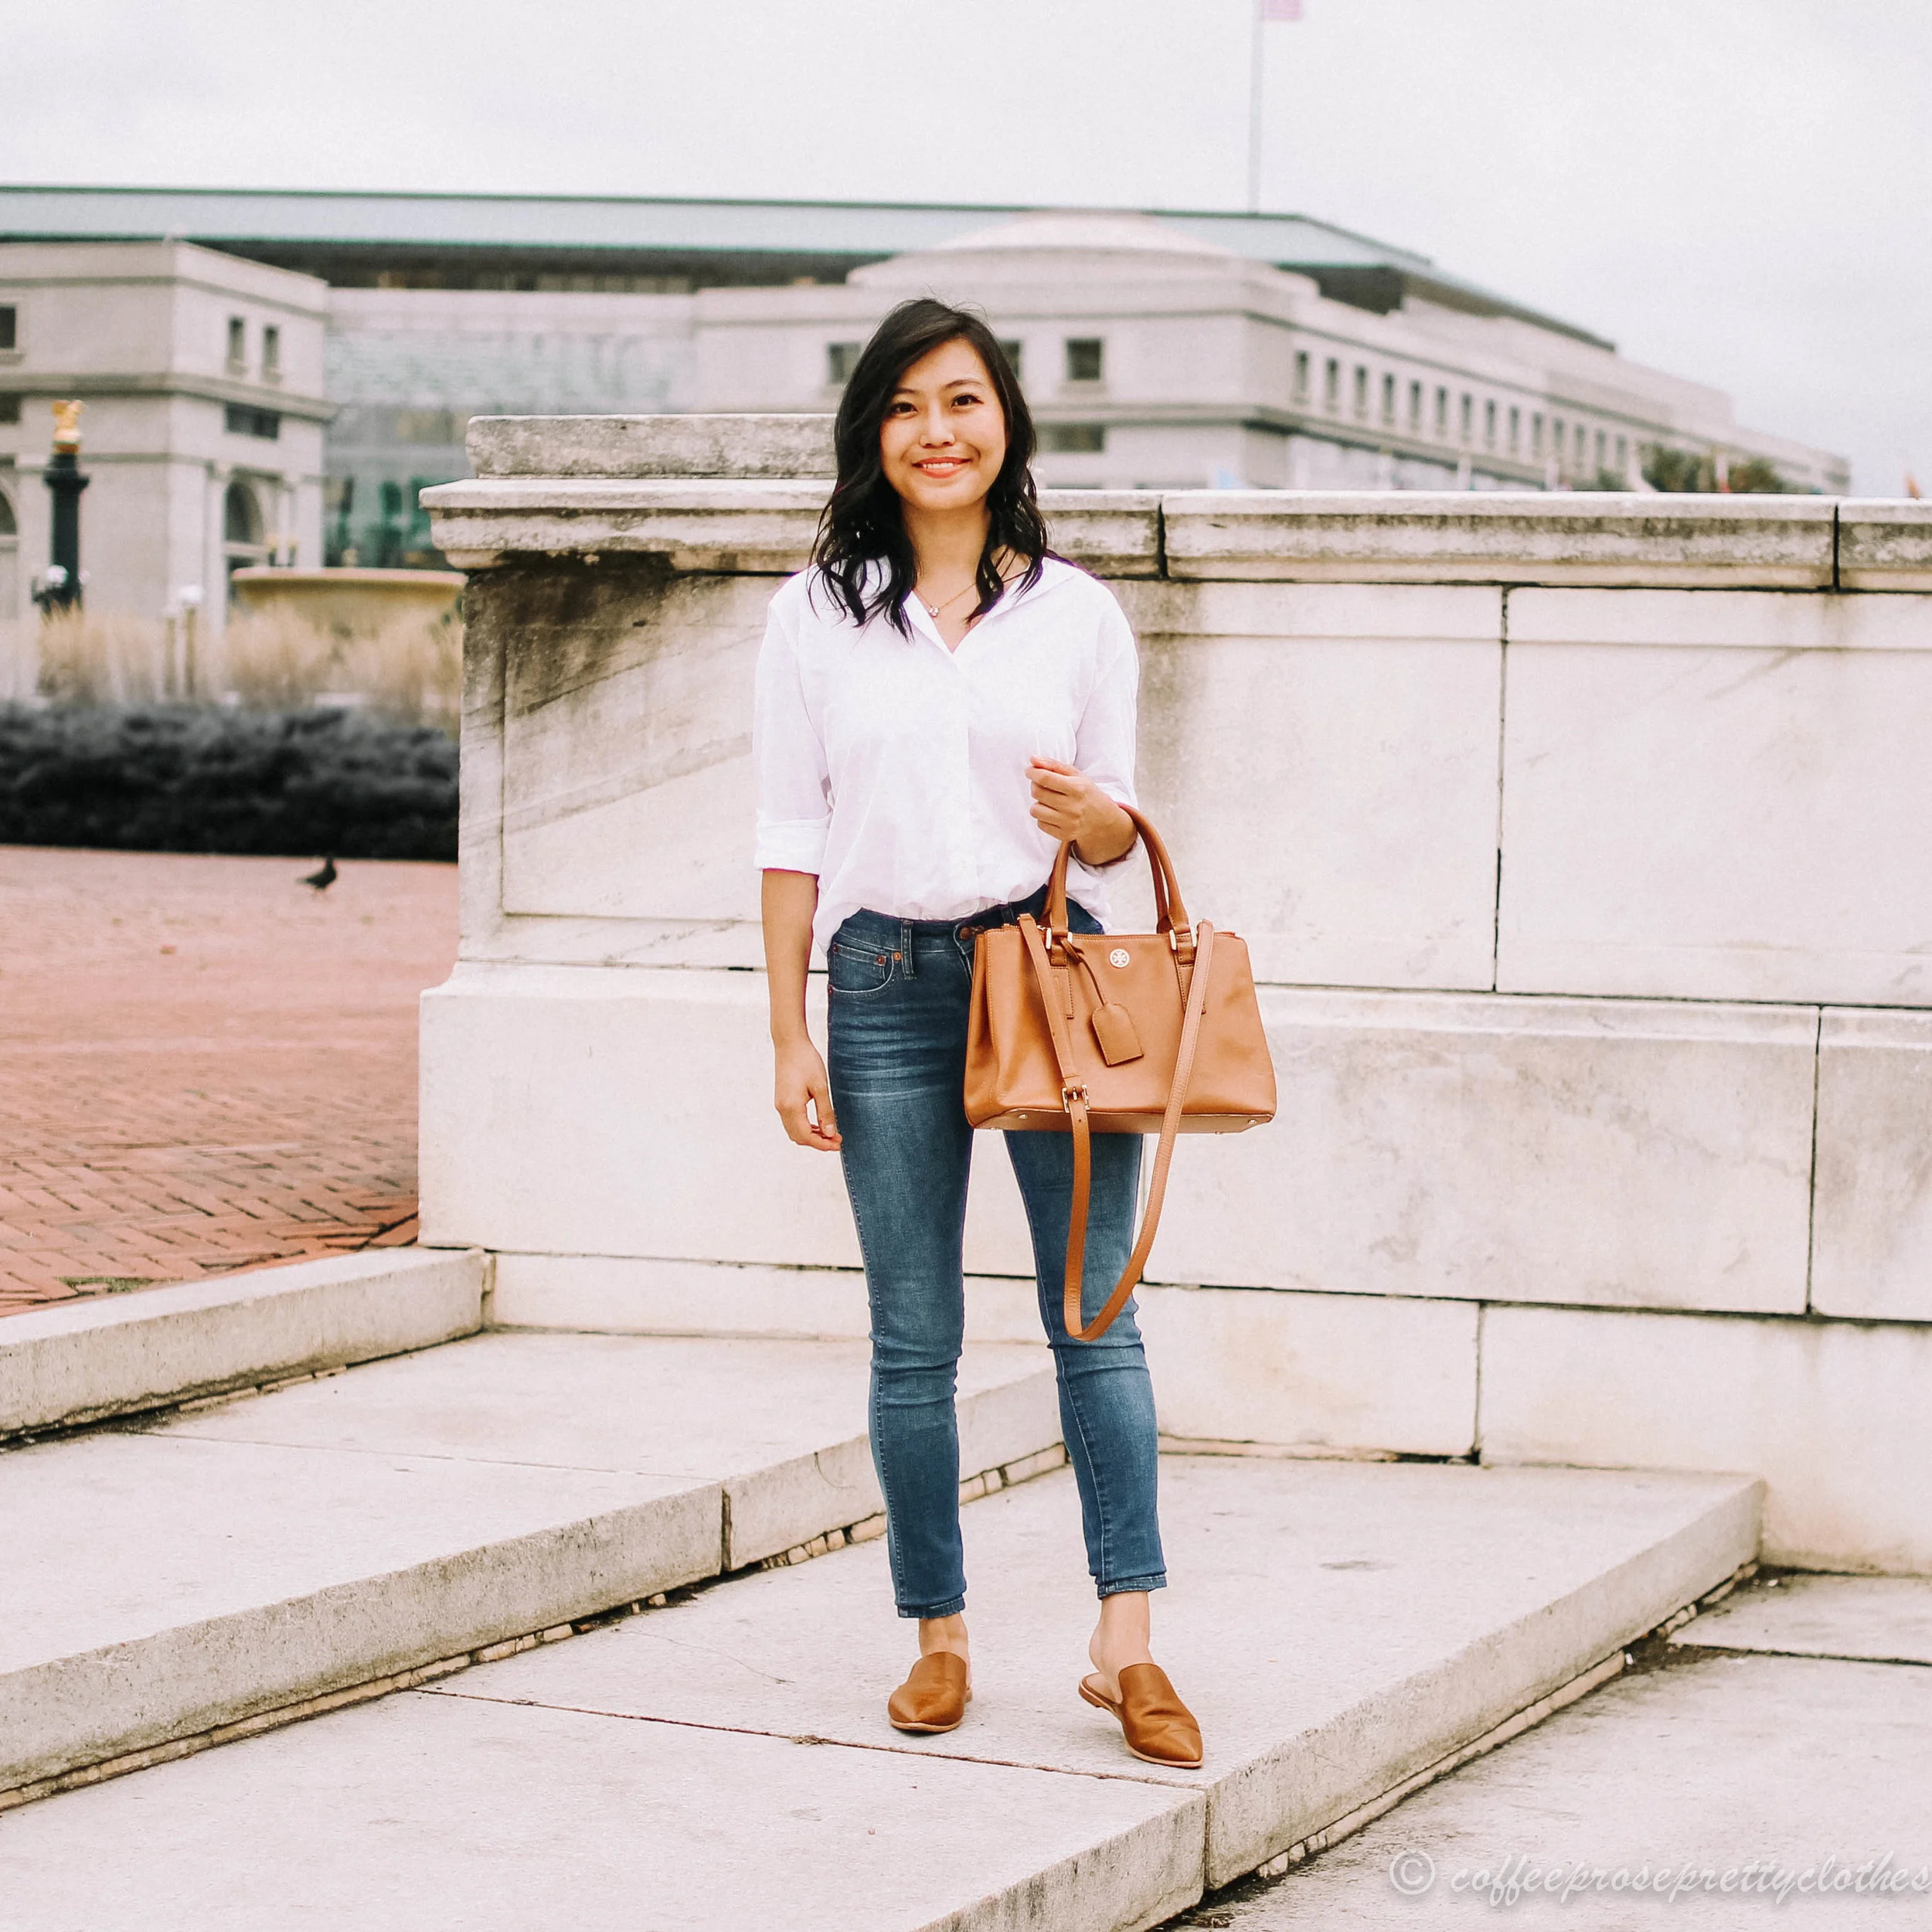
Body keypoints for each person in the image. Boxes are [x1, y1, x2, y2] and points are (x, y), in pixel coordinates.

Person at [753, 298, 1201, 1769]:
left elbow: (1122, 837)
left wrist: (1105, 822)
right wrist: (786, 1031)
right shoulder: (812, 614)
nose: (936, 432)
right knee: (913, 1341)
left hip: (1046, 969)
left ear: (1005, 419)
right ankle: (937, 1634)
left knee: (1094, 1316)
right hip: (877, 983)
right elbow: (791, 831)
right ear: (871, 433)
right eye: (904, 408)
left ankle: (1126, 1642)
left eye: (961, 402)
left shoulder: (1076, 613)